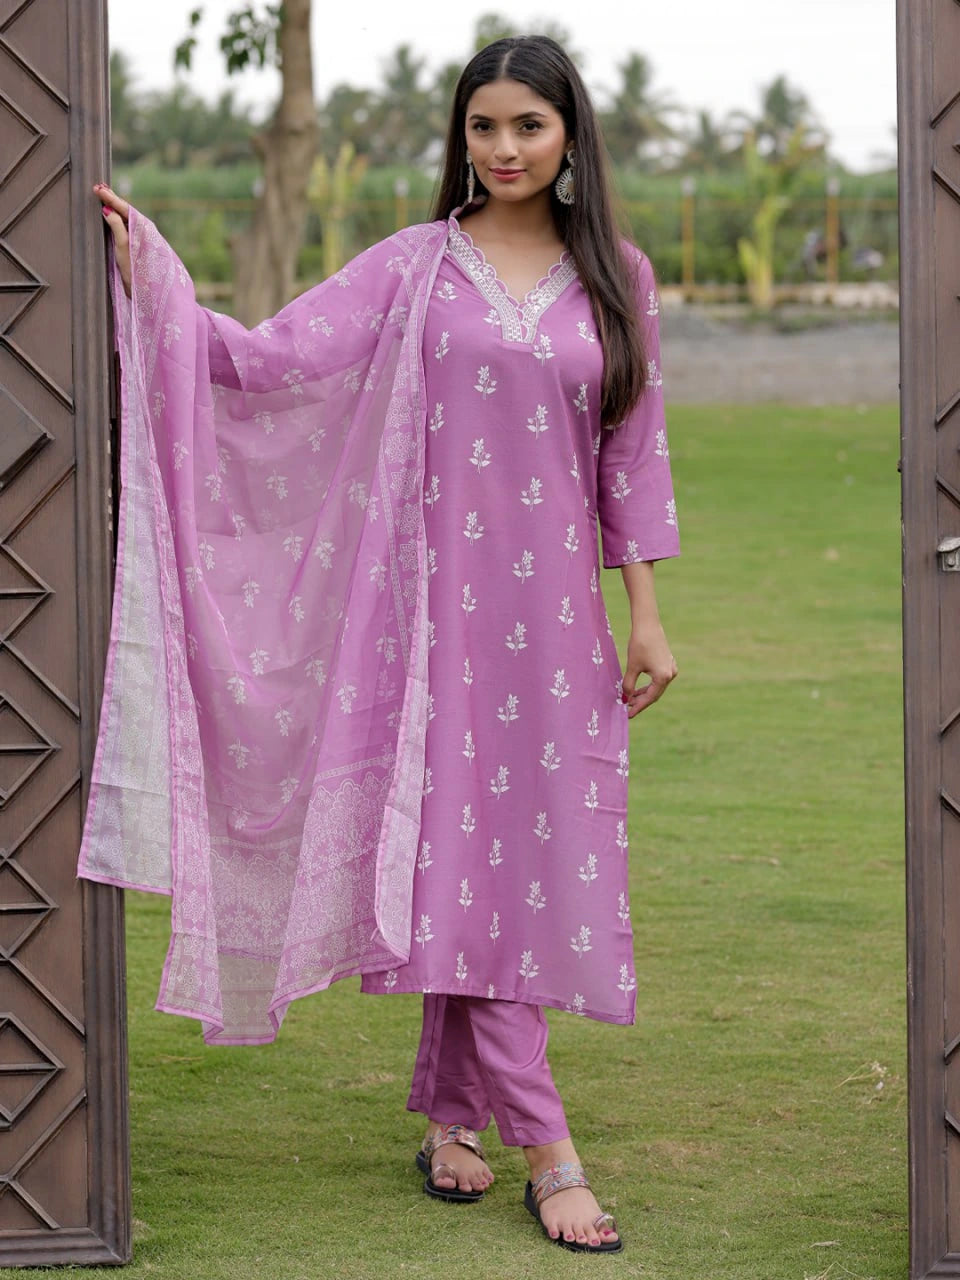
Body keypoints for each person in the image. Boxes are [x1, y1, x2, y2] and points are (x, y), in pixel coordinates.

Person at [90, 34, 678, 1256]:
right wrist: (152, 279)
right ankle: (547, 1144)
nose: (504, 149)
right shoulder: (418, 266)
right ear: (459, 138)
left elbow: (629, 456)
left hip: (557, 629)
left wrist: (647, 612)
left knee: (519, 859)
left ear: (572, 137)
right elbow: (270, 356)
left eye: (528, 126)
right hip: (436, 628)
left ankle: (450, 1113)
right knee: (471, 860)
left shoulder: (617, 275)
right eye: (483, 128)